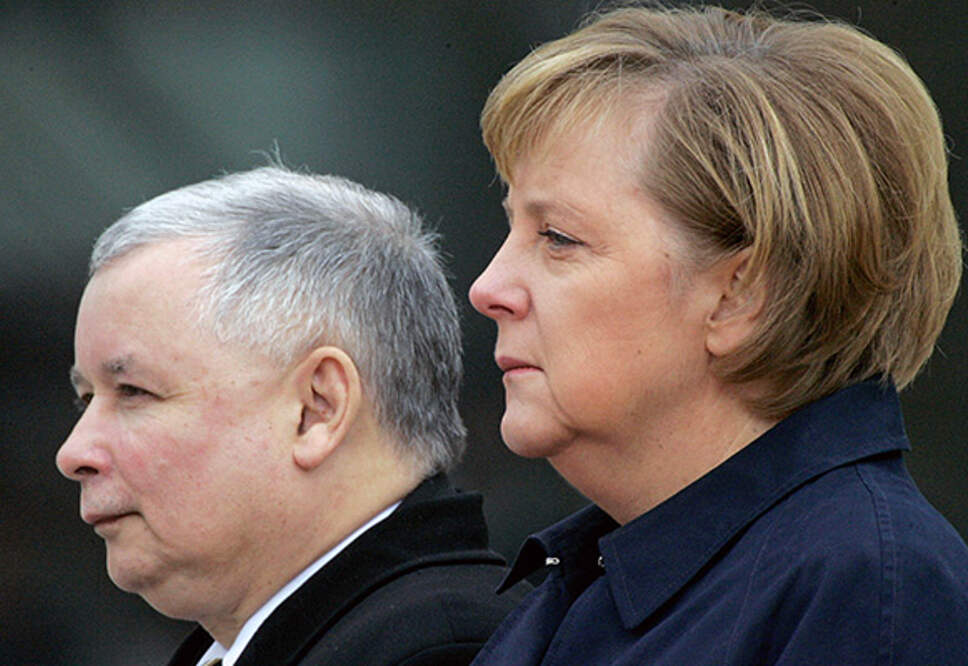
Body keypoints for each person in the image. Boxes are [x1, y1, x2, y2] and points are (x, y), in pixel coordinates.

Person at [467, 4, 968, 664]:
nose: (488, 288)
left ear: (739, 295)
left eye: (558, 238)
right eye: (514, 228)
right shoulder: (596, 579)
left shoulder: (865, 590)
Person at [56, 165, 527, 666]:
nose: (74, 454)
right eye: (86, 398)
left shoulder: (448, 652)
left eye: (134, 392)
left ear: (317, 408)